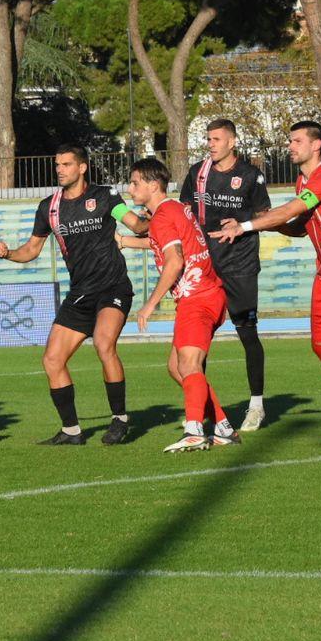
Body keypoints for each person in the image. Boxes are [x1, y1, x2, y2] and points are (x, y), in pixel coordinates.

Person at [215, 121, 321, 443]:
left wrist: (248, 225)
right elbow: (300, 224)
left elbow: (291, 210)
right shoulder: (303, 179)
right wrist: (260, 223)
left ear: (316, 145)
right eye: (290, 140)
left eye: (296, 140)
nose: (290, 145)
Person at [0, 144, 149, 446]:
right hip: (81, 293)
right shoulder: (49, 208)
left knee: (104, 345)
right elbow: (31, 250)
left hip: (113, 287)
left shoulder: (105, 197)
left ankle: (119, 419)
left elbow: (135, 224)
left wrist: (155, 218)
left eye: (66, 164)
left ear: (82, 167)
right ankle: (72, 431)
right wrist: (8, 253)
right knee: (52, 359)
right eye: (57, 164)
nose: (60, 169)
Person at [118, 159, 240, 452]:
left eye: (135, 183)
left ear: (153, 185)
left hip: (198, 297)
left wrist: (150, 305)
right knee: (177, 367)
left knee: (188, 364)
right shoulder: (174, 209)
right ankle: (222, 426)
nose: (130, 188)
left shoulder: (161, 217)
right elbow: (165, 244)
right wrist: (126, 241)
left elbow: (175, 260)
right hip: (204, 295)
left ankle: (194, 429)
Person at [181, 119, 270, 431]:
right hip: (206, 269)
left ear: (232, 141)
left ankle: (256, 406)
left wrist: (240, 220)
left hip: (241, 267)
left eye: (217, 139)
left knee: (247, 334)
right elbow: (185, 215)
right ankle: (201, 408)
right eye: (208, 139)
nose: (211, 144)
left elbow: (263, 216)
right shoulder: (197, 173)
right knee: (198, 342)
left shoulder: (249, 175)